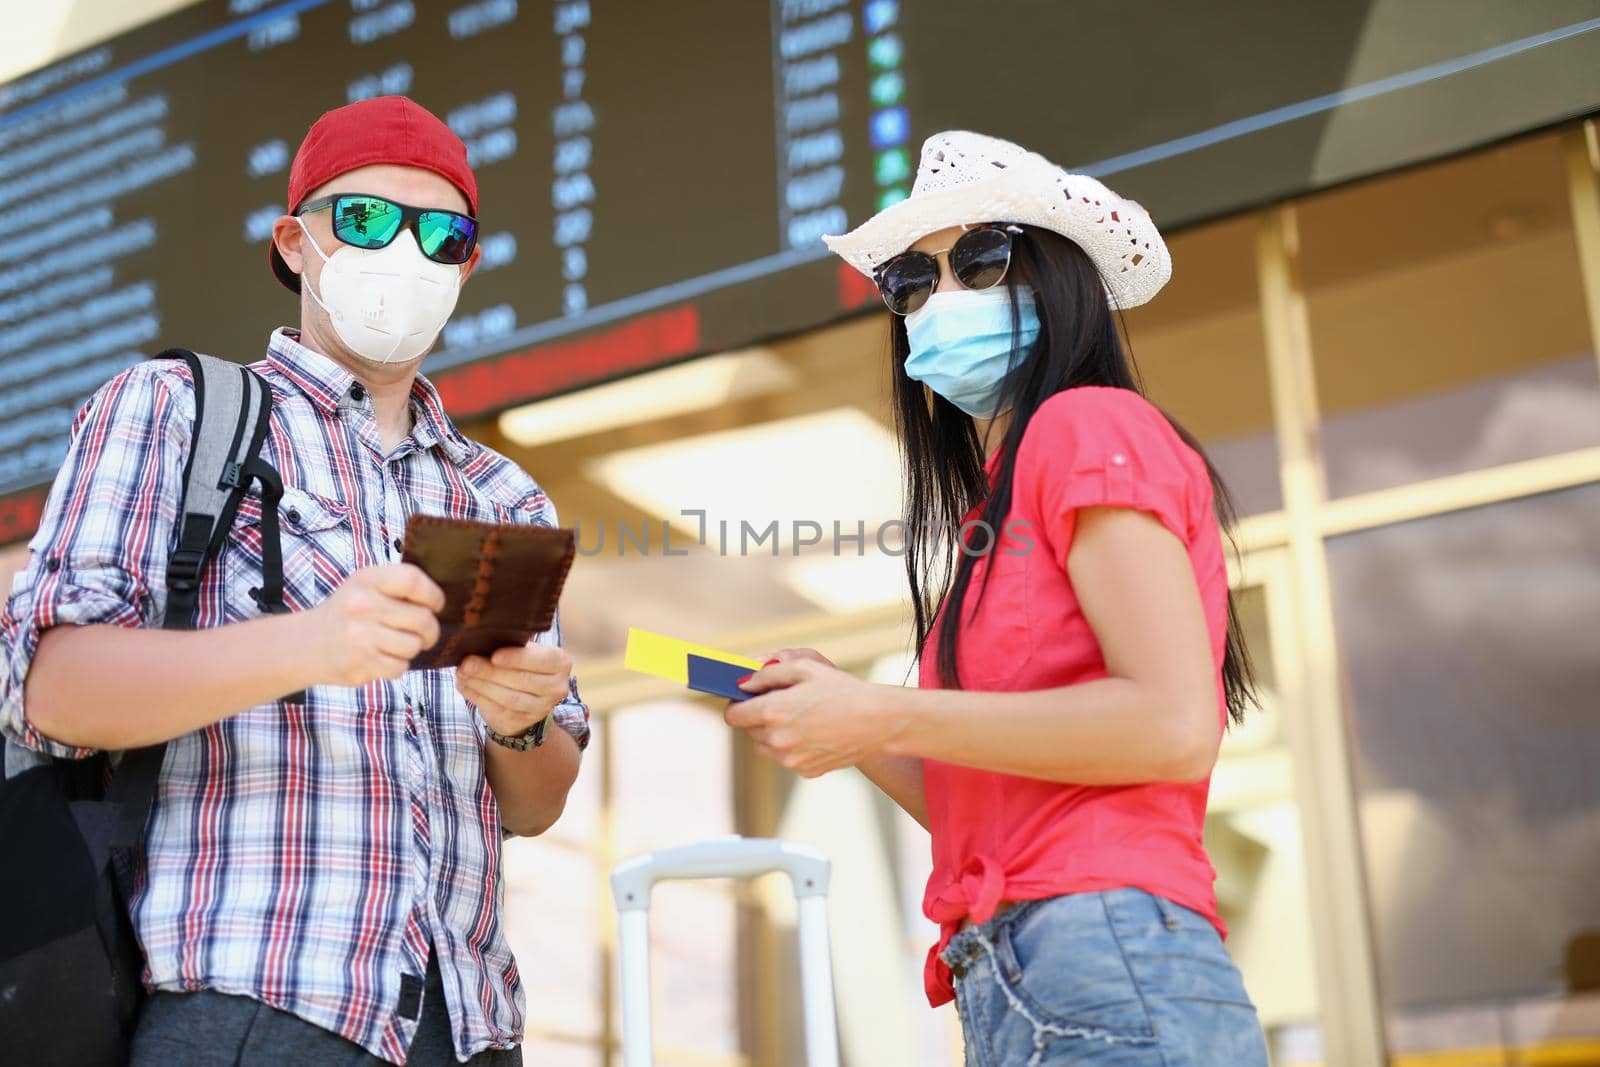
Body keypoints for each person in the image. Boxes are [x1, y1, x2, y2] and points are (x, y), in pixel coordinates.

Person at [0, 96, 587, 1066]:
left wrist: (520, 720)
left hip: (471, 1025)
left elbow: (535, 803)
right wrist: (309, 642)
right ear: (295, 241)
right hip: (253, 1002)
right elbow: (47, 688)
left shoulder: (504, 496)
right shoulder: (176, 411)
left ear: (467, 265)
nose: (404, 251)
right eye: (363, 219)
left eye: (441, 232)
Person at [725, 131, 1271, 1065]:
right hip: (1024, 974)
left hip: (1102, 956)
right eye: (911, 282)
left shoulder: (1084, 423)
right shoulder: (993, 512)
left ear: (1062, 276)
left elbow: (1172, 723)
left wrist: (886, 709)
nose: (939, 299)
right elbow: (987, 804)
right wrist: (857, 730)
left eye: (980, 259)